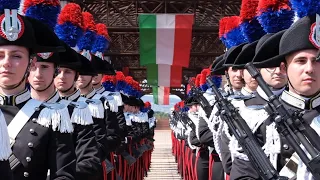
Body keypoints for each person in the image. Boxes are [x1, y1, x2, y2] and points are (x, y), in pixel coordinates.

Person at [0, 3, 76, 179]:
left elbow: (63, 176)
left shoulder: (52, 117)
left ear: (31, 63)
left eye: (16, 56)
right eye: (0, 55)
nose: (6, 63)